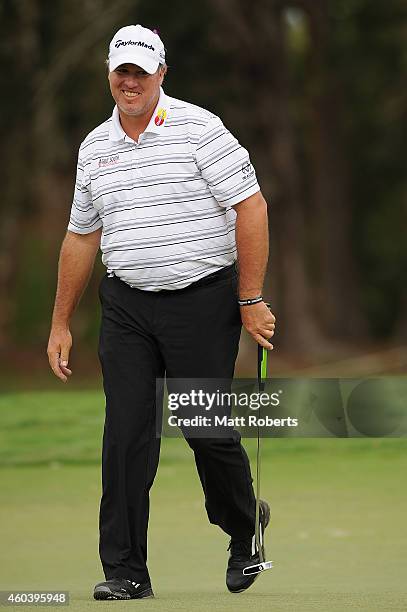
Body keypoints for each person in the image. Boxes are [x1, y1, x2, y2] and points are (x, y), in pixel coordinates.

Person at [47, 24, 276, 600]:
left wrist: (250, 299)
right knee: (125, 436)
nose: (130, 82)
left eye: (140, 73)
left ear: (161, 76)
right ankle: (125, 571)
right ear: (109, 75)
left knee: (203, 427)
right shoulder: (94, 148)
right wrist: (60, 323)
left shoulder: (200, 128)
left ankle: (244, 525)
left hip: (202, 299)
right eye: (121, 72)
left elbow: (250, 207)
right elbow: (80, 237)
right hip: (126, 306)